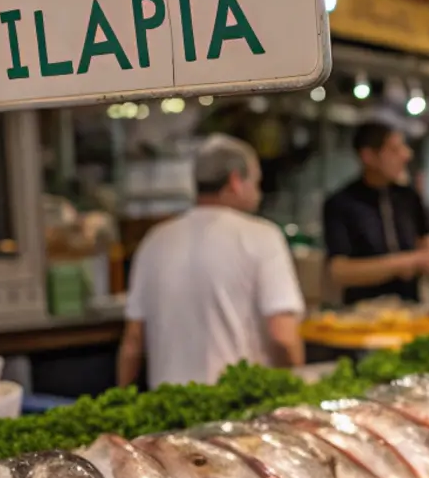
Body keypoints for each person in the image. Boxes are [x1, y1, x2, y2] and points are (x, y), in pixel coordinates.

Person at [118, 135, 305, 388]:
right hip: (238, 408)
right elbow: (283, 336)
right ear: (236, 181)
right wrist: (297, 389)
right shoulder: (262, 237)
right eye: (256, 182)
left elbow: (132, 342)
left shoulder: (155, 240)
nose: (259, 193)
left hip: (168, 404)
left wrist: (123, 401)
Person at [322, 122, 429, 305]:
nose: (406, 155)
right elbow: (339, 271)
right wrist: (407, 262)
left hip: (411, 310)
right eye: (395, 150)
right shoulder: (341, 202)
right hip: (360, 315)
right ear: (369, 156)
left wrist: (420, 261)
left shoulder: (409, 197)